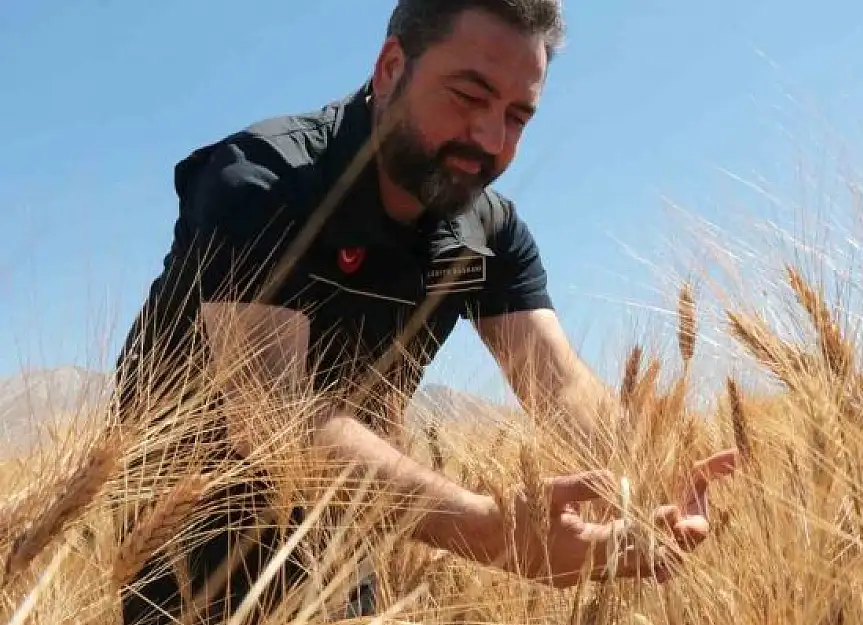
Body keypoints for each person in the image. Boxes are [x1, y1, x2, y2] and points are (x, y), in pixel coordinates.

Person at [112, 1, 738, 623]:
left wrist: (654, 473)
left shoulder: (491, 235)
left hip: (336, 527)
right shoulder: (263, 180)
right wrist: (491, 532)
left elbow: (559, 384)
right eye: (469, 96)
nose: (490, 140)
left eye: (518, 116)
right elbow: (273, 414)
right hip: (183, 540)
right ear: (390, 68)